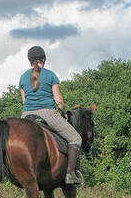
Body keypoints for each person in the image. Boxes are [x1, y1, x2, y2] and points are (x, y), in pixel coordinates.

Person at [19, 46, 83, 185]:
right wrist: (63, 112)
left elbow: (24, 101)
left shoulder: (23, 77)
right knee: (76, 138)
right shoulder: (51, 75)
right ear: (44, 59)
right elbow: (59, 100)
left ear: (29, 61)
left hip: (26, 115)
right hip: (47, 113)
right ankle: (71, 174)